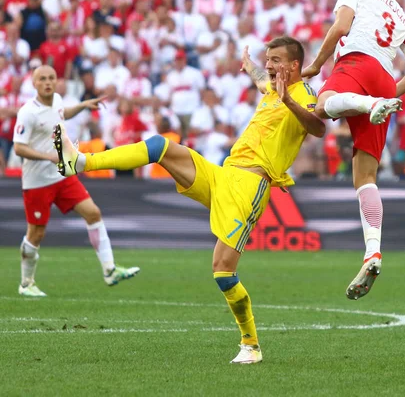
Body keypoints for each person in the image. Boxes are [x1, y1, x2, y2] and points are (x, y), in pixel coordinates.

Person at [53, 36, 325, 364]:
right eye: (268, 59)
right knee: (160, 147)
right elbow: (262, 80)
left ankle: (250, 345)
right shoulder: (271, 87)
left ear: (295, 65)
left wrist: (288, 100)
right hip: (223, 174)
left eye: (276, 60)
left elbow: (319, 128)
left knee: (223, 272)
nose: (270, 65)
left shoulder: (304, 94)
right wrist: (250, 67)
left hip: (250, 187)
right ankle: (81, 162)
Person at [302, 0, 405, 300]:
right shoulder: (402, 16)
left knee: (320, 105)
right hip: (384, 79)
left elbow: (341, 28)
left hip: (357, 63)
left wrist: (315, 65)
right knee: (366, 178)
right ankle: (372, 251)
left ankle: (367, 104)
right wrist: (389, 93)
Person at [13, 65, 140, 297]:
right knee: (36, 234)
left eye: (51, 77)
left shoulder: (58, 100)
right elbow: (19, 147)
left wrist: (82, 106)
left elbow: (62, 113)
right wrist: (48, 156)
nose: (48, 82)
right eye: (42, 79)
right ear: (34, 83)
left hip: (61, 176)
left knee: (93, 213)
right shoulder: (28, 112)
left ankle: (109, 270)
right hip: (37, 181)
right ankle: (26, 283)